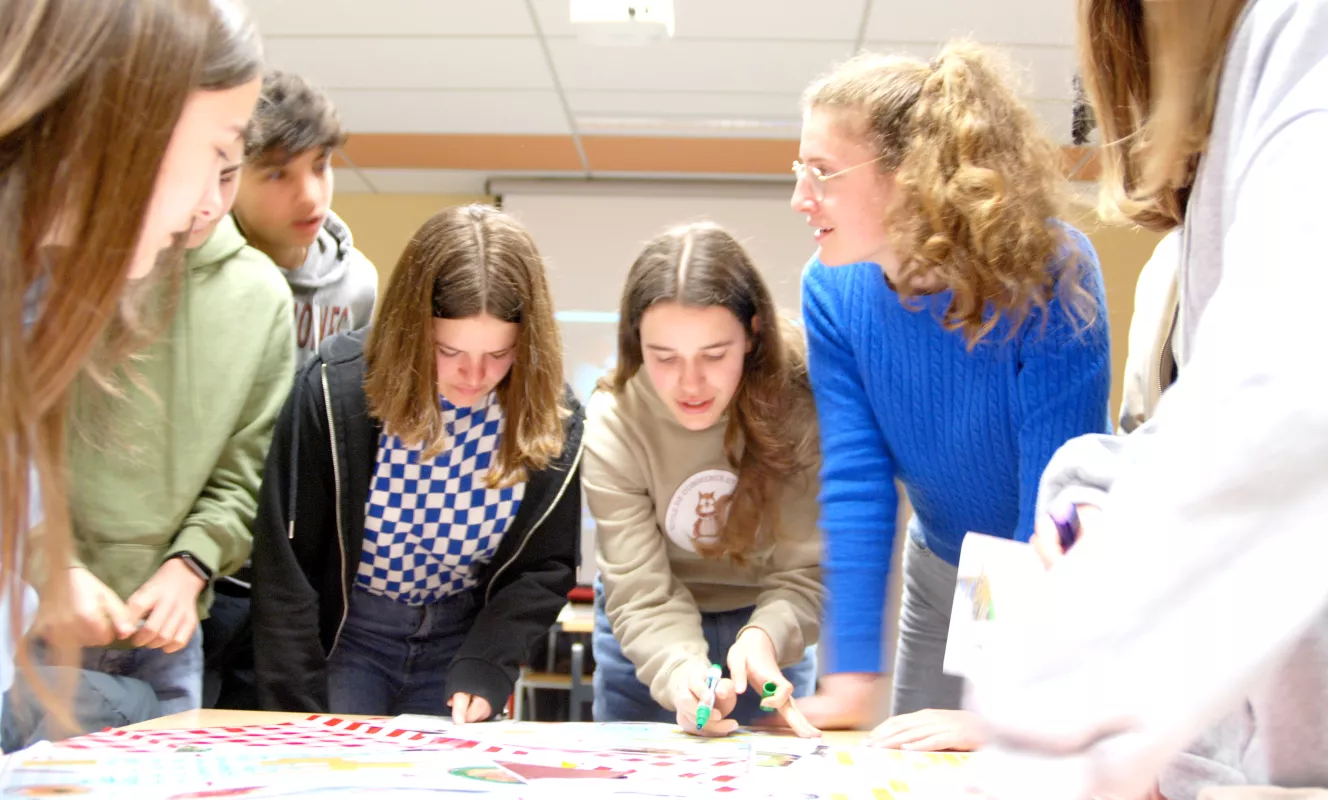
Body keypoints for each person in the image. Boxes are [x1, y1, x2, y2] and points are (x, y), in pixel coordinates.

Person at [968, 0, 1328, 797]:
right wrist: (1092, 494)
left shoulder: (1300, 32)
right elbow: (1185, 433)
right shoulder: (1240, 101)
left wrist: (1074, 719)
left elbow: (1285, 403)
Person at [790, 41, 1111, 746]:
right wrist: (847, 675)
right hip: (940, 563)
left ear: (904, 175)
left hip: (1050, 568)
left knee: (1015, 762)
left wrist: (1005, 706)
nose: (798, 198)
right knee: (906, 760)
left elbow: (1053, 501)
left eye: (821, 172)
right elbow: (856, 483)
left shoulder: (1048, 269)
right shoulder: (830, 289)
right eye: (798, 170)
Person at [0, 0, 265, 730]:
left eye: (231, 170)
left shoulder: (37, 299)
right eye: (214, 152)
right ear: (126, 119)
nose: (203, 208)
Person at [251, 205, 583, 721]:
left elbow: (543, 567)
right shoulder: (333, 392)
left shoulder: (550, 417)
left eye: (500, 354)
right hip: (347, 638)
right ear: (411, 328)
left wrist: (489, 660)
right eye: (448, 350)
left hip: (461, 643)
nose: (475, 376)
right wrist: (294, 711)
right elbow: (284, 569)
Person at [54, 147, 294, 718]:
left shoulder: (260, 295)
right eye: (189, 176)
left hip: (169, 633)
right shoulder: (50, 268)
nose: (208, 203)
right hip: (35, 616)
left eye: (229, 176)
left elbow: (248, 471)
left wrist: (189, 567)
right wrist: (51, 566)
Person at [583, 222, 823, 738]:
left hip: (770, 622)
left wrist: (766, 636)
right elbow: (640, 589)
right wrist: (681, 673)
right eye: (664, 358)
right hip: (649, 632)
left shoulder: (799, 399)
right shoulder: (614, 418)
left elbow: (806, 569)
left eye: (714, 355)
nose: (690, 383)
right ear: (635, 342)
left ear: (753, 333)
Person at [232, 70, 377, 366]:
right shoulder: (199, 275)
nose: (310, 196)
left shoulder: (358, 283)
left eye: (320, 166)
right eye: (277, 175)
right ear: (229, 177)